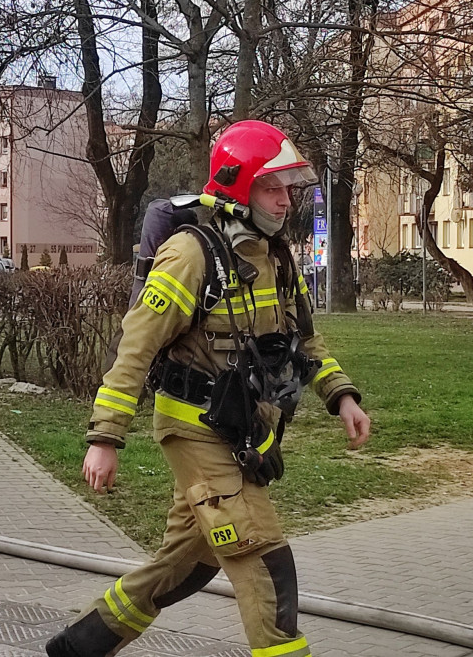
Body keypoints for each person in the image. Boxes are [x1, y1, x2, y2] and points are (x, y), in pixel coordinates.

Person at [46, 120, 370, 657]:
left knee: (188, 563)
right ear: (238, 187)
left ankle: (79, 646)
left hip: (241, 427)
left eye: (288, 188)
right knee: (261, 554)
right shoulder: (192, 254)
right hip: (193, 428)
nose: (285, 200)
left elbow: (303, 342)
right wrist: (105, 438)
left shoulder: (276, 257)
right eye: (272, 187)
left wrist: (343, 397)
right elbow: (136, 349)